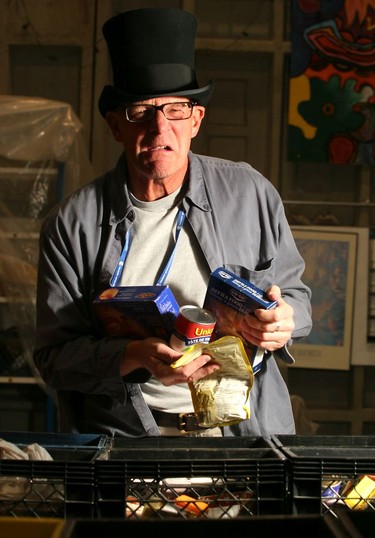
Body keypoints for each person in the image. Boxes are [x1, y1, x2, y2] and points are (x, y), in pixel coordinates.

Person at [33, 8, 312, 437]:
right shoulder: (72, 224)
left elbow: (295, 295)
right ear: (115, 125)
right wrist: (131, 355)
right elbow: (55, 359)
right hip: (127, 444)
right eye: (141, 111)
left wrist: (285, 319)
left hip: (243, 438)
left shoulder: (249, 193)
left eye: (176, 109)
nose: (159, 127)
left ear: (196, 119)